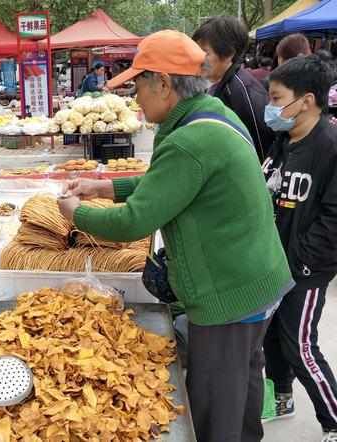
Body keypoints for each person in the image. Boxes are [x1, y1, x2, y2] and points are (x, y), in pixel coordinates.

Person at [64, 30, 293, 442]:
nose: (135, 97)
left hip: (228, 293)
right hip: (258, 278)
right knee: (241, 382)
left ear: (164, 84)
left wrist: (75, 213)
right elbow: (170, 181)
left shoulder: (190, 139)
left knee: (214, 401)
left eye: (137, 85)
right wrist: (104, 188)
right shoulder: (210, 115)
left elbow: (133, 222)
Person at [261, 55, 337, 442]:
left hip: (304, 270)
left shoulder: (330, 147)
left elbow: (333, 219)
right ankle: (282, 397)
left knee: (300, 345)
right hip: (273, 265)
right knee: (272, 337)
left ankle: (333, 420)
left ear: (306, 100)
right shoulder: (281, 143)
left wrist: (301, 261)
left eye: (276, 99)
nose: (270, 108)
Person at [193, 16, 274, 162]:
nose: (199, 59)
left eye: (205, 52)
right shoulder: (219, 84)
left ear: (228, 53)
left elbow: (261, 150)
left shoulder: (241, 91)